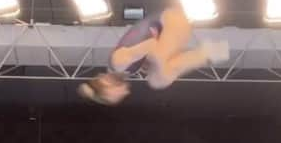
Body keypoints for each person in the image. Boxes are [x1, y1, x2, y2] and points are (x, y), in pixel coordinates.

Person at [78, 7, 229, 106]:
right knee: (158, 77)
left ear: (106, 85)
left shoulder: (118, 63)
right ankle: (211, 52)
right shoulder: (128, 69)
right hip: (176, 26)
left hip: (170, 19)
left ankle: (210, 52)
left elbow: (150, 45)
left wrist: (154, 61)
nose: (126, 92)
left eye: (117, 95)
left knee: (157, 77)